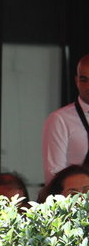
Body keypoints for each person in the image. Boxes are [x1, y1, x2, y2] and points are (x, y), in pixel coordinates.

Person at [42, 54, 89, 183]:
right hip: (76, 194)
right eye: (84, 80)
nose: (88, 86)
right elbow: (54, 174)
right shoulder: (60, 119)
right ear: (76, 80)